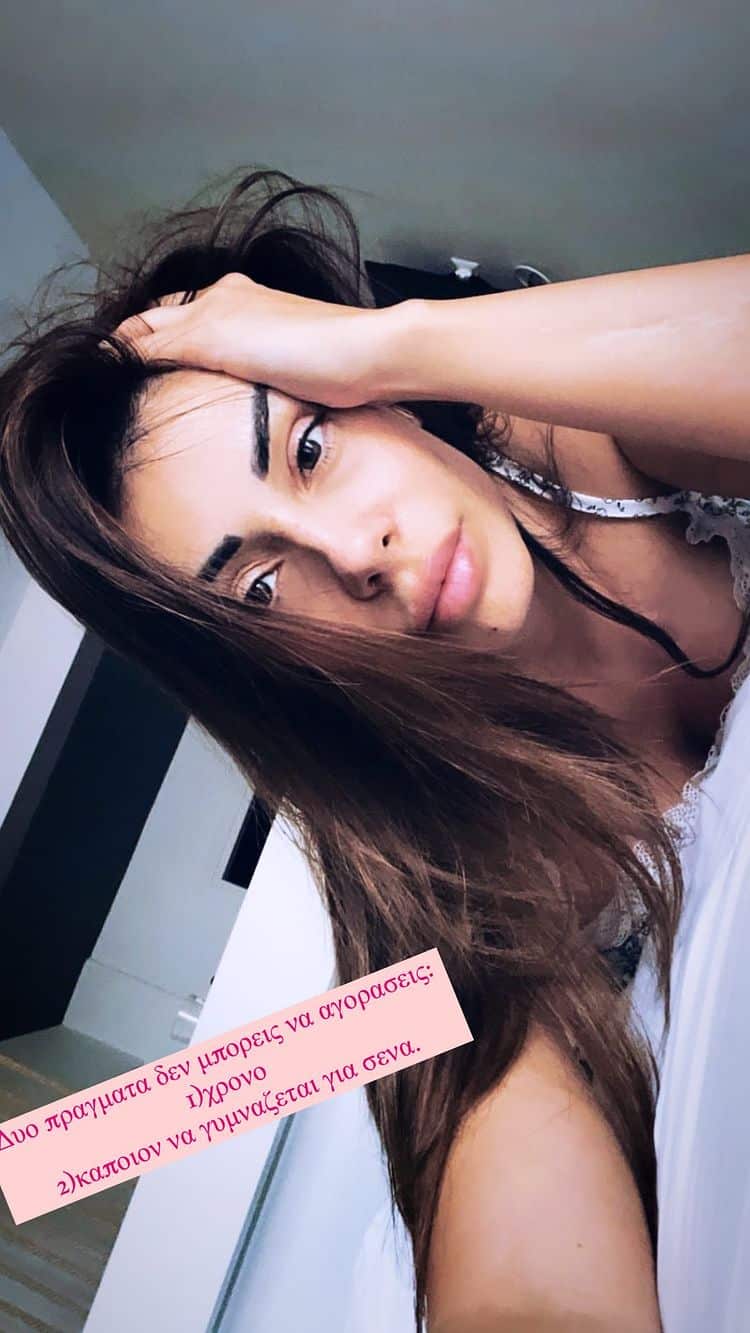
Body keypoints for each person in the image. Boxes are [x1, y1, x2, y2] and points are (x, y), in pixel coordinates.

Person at [0, 166, 748, 1332]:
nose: (355, 551)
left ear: (377, 397)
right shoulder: (458, 873)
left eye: (309, 447)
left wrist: (385, 341)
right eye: (261, 587)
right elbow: (516, 1231)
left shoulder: (591, 444)